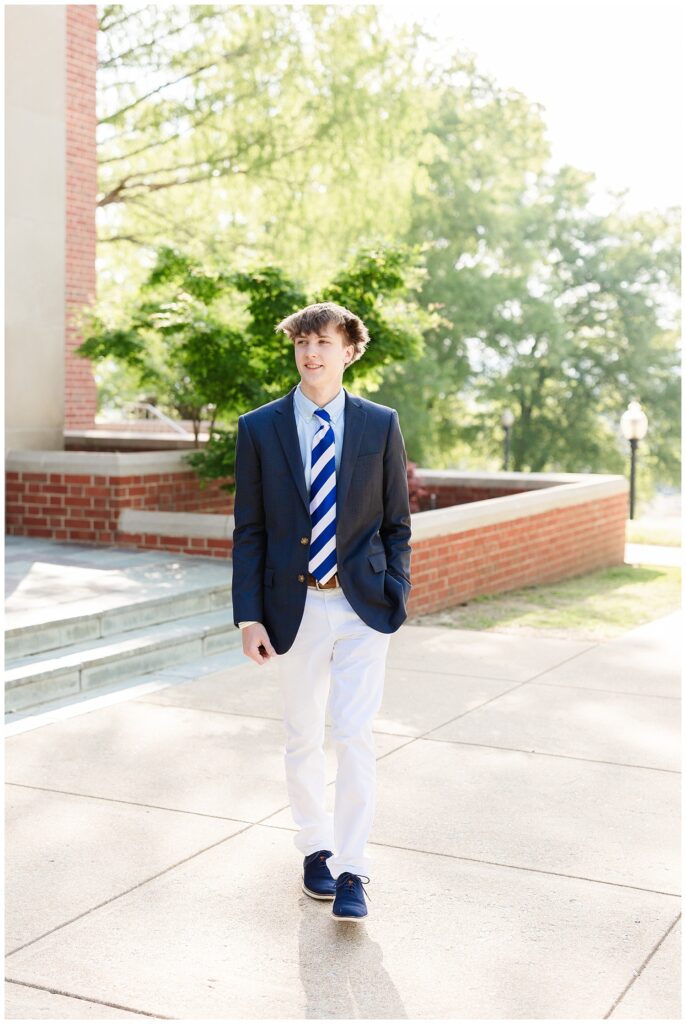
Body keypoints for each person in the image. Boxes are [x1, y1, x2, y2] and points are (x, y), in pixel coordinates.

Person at [231, 300, 412, 922]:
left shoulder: (379, 423)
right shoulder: (259, 428)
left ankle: (355, 868)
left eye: (324, 342)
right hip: (294, 606)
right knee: (303, 733)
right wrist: (248, 615)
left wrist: (398, 589)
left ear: (349, 351)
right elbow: (249, 530)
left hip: (363, 605)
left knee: (356, 733)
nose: (312, 353)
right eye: (303, 343)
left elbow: (396, 523)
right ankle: (316, 851)